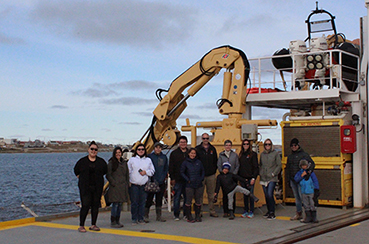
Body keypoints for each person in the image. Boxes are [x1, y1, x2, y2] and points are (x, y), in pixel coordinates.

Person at [74, 141, 107, 233]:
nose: (93, 151)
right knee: (85, 205)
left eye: (95, 149)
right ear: (88, 150)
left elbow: (105, 171)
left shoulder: (101, 162)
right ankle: (81, 225)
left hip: (97, 187)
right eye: (92, 149)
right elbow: (76, 170)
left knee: (95, 206)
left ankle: (93, 224)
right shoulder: (82, 161)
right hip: (85, 188)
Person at [286, 138, 315, 221]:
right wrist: (288, 180)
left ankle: (308, 214)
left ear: (298, 145)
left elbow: (312, 164)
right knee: (297, 198)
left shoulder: (304, 154)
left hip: (302, 180)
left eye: (295, 145)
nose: (293, 147)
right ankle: (299, 213)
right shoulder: (290, 156)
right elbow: (288, 169)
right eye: (292, 146)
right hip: (293, 180)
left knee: (304, 197)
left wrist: (307, 173)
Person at [128, 144, 155, 225]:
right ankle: (134, 218)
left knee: (142, 203)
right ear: (136, 150)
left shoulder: (148, 160)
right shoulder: (132, 160)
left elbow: (152, 171)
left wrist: (146, 172)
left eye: (142, 149)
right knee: (134, 202)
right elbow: (128, 171)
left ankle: (141, 218)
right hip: (134, 185)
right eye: (139, 149)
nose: (141, 151)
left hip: (144, 185)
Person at [144, 142, 169, 222]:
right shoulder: (149, 157)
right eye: (156, 147)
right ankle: (146, 215)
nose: (158, 149)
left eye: (159, 148)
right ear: (154, 148)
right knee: (149, 199)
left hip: (161, 181)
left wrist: (162, 178)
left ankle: (159, 216)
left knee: (159, 199)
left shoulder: (164, 157)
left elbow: (166, 169)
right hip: (151, 181)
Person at [195, 133, 218, 217]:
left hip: (211, 175)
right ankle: (200, 211)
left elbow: (215, 161)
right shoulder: (197, 149)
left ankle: (212, 211)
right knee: (200, 194)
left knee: (211, 194)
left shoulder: (212, 149)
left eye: (207, 138)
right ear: (202, 139)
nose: (205, 140)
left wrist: (213, 170)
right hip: (201, 175)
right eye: (204, 138)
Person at [106, 147, 129, 228]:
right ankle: (113, 221)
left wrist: (127, 183)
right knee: (115, 204)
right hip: (115, 187)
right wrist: (113, 183)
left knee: (120, 204)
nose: (118, 154)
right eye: (116, 152)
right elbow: (108, 175)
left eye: (119, 152)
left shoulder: (124, 162)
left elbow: (127, 174)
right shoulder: (111, 163)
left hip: (122, 186)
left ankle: (118, 220)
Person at [180, 148, 205, 223]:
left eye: (194, 153)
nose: (193, 155)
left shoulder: (199, 162)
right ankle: (189, 216)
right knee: (188, 201)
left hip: (198, 184)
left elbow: (202, 171)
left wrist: (201, 179)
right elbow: (182, 172)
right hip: (189, 184)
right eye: (191, 153)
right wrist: (187, 179)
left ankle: (197, 215)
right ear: (188, 154)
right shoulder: (185, 163)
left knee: (198, 200)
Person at [259, 139, 281, 220]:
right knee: (266, 196)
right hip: (263, 177)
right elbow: (260, 165)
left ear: (271, 145)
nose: (267, 146)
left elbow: (279, 165)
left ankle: (272, 212)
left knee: (269, 194)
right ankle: (269, 210)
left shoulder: (275, 154)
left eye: (269, 144)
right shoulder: (262, 154)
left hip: (272, 178)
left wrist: (273, 173)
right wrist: (261, 173)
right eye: (266, 144)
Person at [217, 140, 239, 217]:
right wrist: (223, 173)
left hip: (232, 178)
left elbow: (237, 165)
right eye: (226, 145)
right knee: (225, 195)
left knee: (233, 195)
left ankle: (232, 211)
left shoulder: (235, 155)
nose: (228, 146)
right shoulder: (221, 155)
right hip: (224, 178)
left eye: (229, 145)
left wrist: (233, 174)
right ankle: (225, 211)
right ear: (224, 146)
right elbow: (219, 165)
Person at [169, 136, 189, 220]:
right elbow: (171, 166)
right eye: (181, 142)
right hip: (177, 179)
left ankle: (185, 214)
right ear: (179, 143)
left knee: (186, 198)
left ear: (186, 143)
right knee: (177, 197)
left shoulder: (189, 152)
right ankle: (176, 214)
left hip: (188, 179)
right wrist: (172, 178)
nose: (183, 144)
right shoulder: (174, 153)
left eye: (184, 142)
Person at [238, 139, 259, 218]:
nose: (245, 145)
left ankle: (251, 211)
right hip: (243, 178)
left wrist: (254, 178)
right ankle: (245, 210)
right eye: (244, 144)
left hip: (250, 178)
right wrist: (240, 178)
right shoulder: (241, 154)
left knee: (251, 195)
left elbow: (256, 167)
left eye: (247, 144)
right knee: (245, 195)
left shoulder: (253, 154)